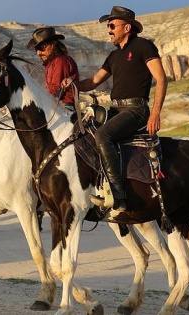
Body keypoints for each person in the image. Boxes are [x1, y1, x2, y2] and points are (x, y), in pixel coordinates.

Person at [62, 6, 168, 212]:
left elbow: (161, 78)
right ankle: (95, 186)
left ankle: (118, 195)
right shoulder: (113, 56)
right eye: (108, 26)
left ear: (127, 27)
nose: (109, 30)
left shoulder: (143, 46)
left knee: (103, 135)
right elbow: (93, 81)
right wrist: (73, 84)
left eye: (112, 25)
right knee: (85, 132)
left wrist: (155, 114)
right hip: (116, 109)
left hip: (136, 110)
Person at [27, 27, 80, 107]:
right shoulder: (52, 62)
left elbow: (55, 90)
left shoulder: (61, 61)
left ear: (52, 45)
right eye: (36, 49)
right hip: (56, 107)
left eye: (40, 48)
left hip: (64, 109)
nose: (38, 53)